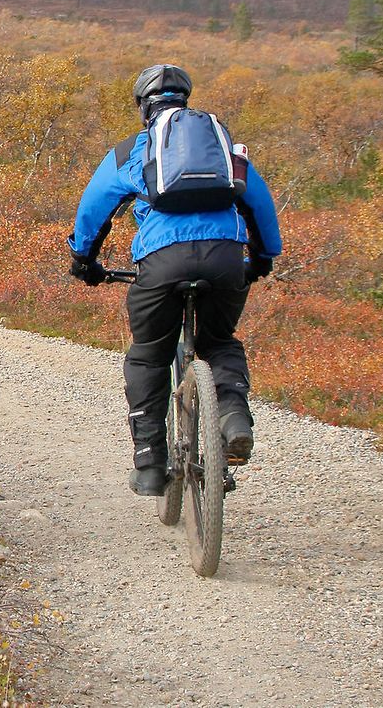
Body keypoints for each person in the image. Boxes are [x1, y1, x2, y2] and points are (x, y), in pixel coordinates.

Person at [68, 64, 282, 496]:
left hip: (162, 261)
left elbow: (95, 207)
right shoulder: (223, 147)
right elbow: (260, 204)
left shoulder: (135, 148)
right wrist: (261, 258)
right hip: (224, 257)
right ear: (183, 99)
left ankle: (149, 463)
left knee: (149, 355)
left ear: (143, 106)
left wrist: (84, 258)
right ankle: (234, 418)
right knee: (219, 341)